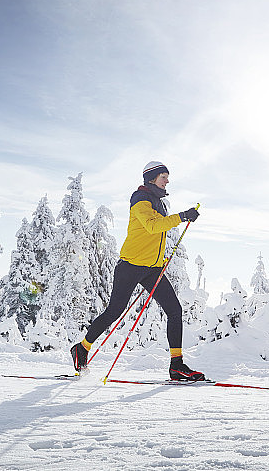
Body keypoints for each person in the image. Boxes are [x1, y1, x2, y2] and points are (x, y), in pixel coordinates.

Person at [70, 161, 205, 381]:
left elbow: (157, 230)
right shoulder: (140, 199)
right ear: (152, 178)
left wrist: (179, 221)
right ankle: (82, 348)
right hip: (130, 266)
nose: (167, 180)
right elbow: (152, 226)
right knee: (115, 311)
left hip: (152, 268)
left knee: (174, 310)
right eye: (164, 176)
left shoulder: (159, 202)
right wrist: (182, 216)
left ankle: (176, 366)